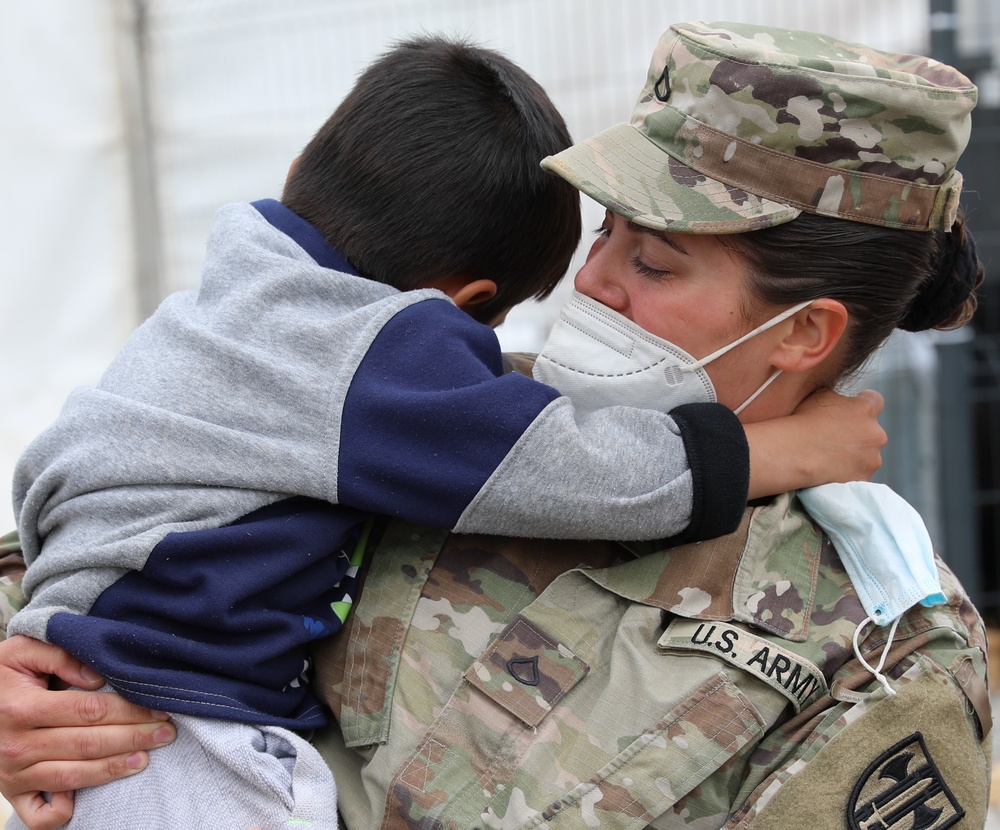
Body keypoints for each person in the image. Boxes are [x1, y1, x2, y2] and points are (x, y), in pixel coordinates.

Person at [3, 31, 888, 830]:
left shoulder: (881, 640)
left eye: (653, 261)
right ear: (464, 304)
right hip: (162, 724)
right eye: (604, 234)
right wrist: (777, 453)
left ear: (806, 331)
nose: (594, 286)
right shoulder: (413, 395)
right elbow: (573, 472)